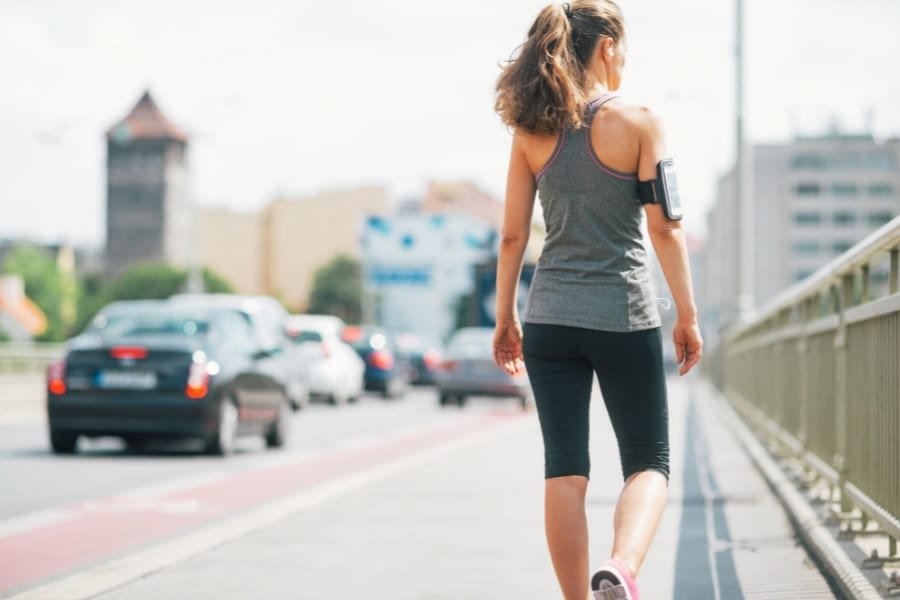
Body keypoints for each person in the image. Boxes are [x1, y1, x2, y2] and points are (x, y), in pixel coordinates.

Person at [491, 1, 703, 599]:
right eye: (624, 49)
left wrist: (506, 316)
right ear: (607, 47)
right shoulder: (641, 121)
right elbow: (666, 228)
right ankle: (621, 570)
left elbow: (512, 235)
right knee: (647, 462)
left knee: (564, 467)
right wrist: (687, 315)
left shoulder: (530, 129)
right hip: (623, 315)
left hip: (550, 317)